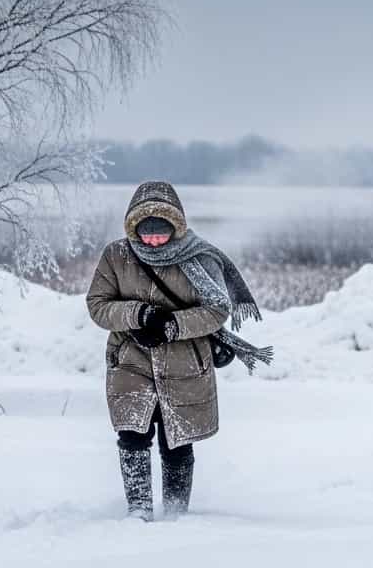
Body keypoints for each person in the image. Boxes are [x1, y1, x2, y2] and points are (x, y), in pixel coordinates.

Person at [86, 181, 270, 520]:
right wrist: (138, 315)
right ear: (133, 227)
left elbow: (217, 308)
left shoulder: (199, 257)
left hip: (185, 362)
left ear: (176, 226)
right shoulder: (117, 255)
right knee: (132, 434)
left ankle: (175, 512)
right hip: (130, 361)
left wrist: (172, 325)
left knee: (177, 439)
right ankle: (138, 509)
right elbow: (98, 305)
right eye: (146, 232)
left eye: (161, 232)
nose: (153, 240)